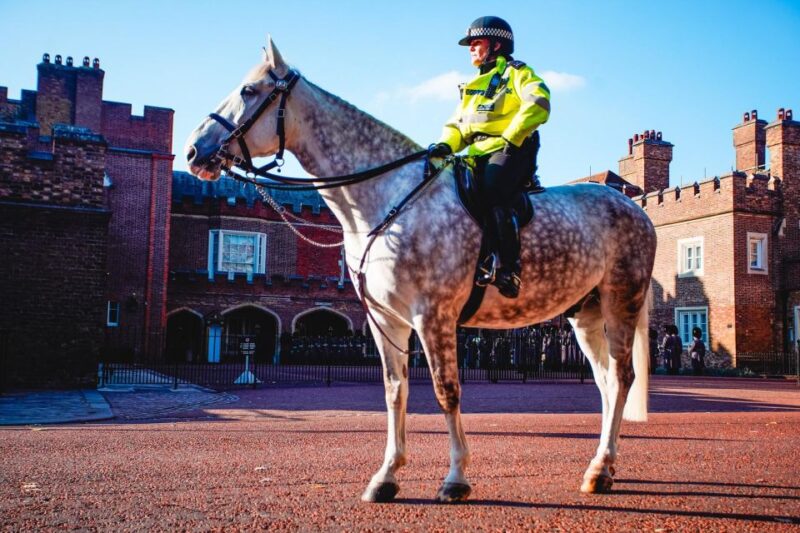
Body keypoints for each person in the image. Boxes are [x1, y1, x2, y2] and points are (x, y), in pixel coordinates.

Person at [428, 16, 551, 299]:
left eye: (476, 42)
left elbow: (540, 102)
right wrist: (446, 145)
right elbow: (458, 125)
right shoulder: (472, 85)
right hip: (476, 153)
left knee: (494, 188)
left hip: (514, 147)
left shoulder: (518, 73)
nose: (471, 48)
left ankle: (510, 269)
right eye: (469, 44)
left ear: (496, 45)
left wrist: (511, 135)